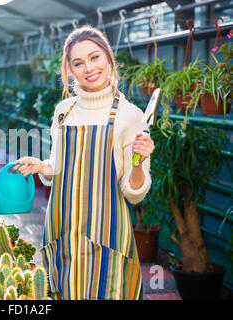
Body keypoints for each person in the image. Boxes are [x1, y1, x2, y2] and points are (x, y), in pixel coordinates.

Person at [13, 26, 155, 300]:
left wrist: (139, 162)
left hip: (108, 236)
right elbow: (60, 165)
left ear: (108, 58)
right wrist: (42, 166)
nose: (89, 67)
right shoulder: (63, 111)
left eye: (95, 57)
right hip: (61, 231)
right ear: (70, 70)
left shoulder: (129, 115)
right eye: (78, 63)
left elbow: (132, 191)